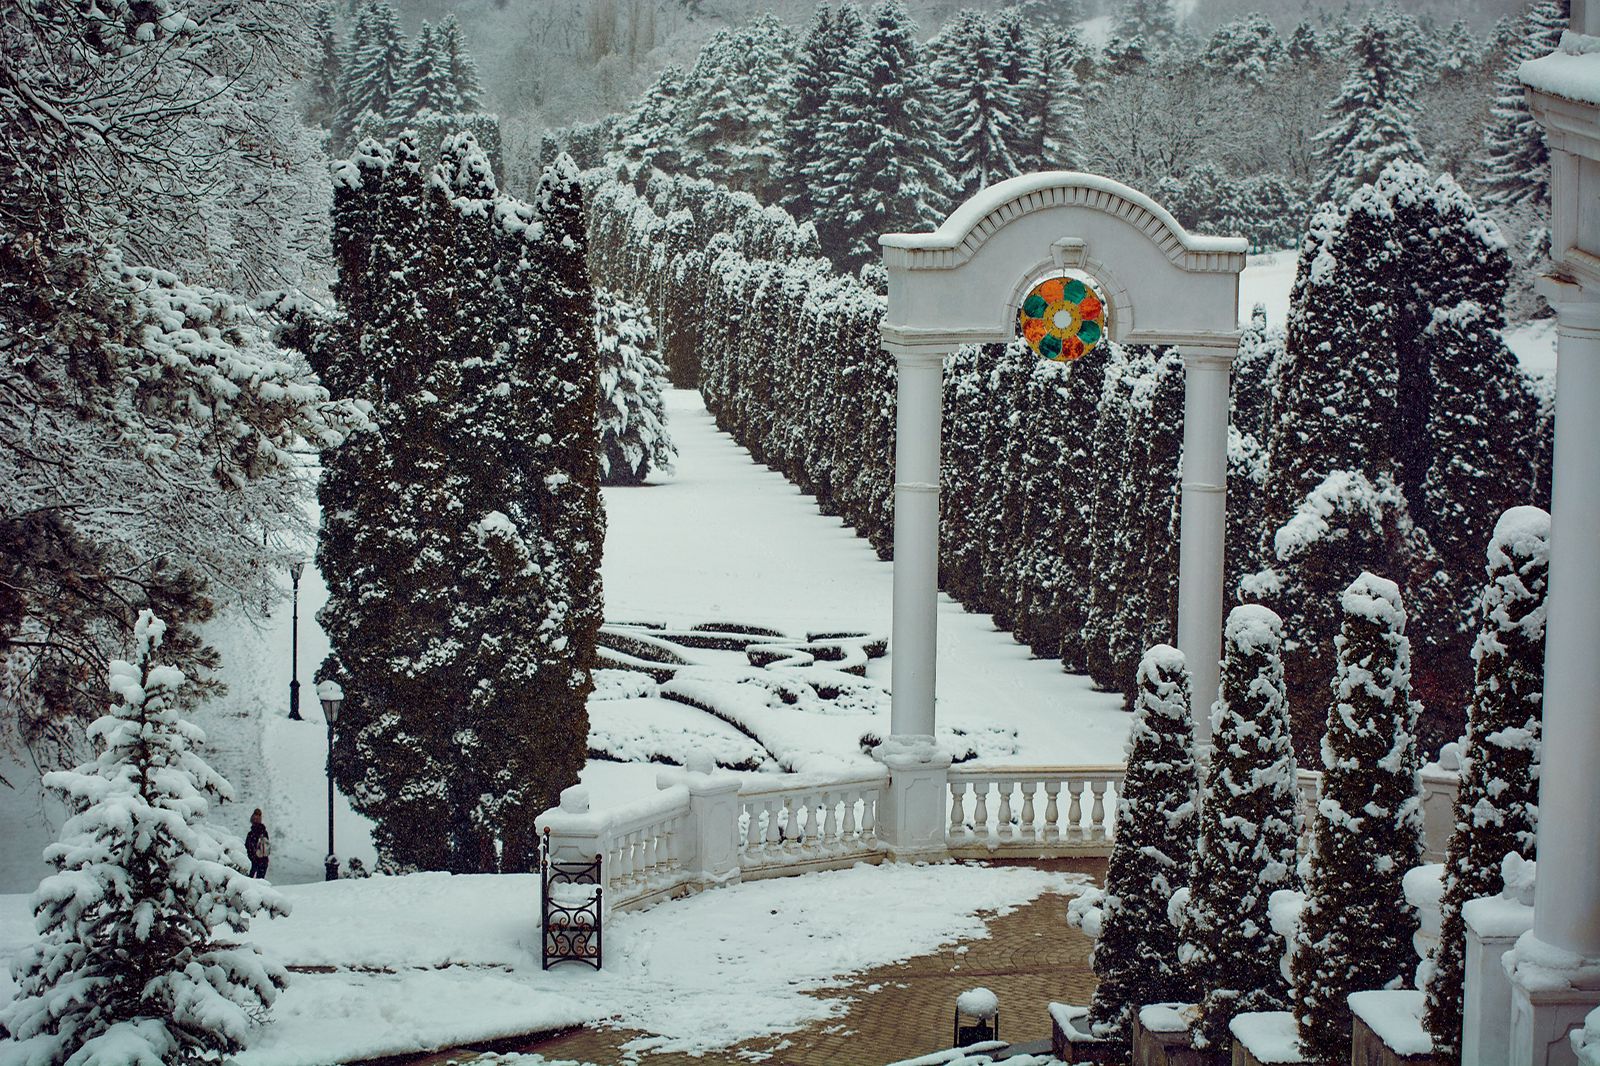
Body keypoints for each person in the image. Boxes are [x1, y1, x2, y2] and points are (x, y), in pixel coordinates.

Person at [246, 808, 271, 879]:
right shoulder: (264, 832)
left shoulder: (251, 834)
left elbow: (247, 847)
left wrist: (251, 857)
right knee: (260, 883)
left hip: (253, 861)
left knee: (248, 882)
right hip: (263, 860)